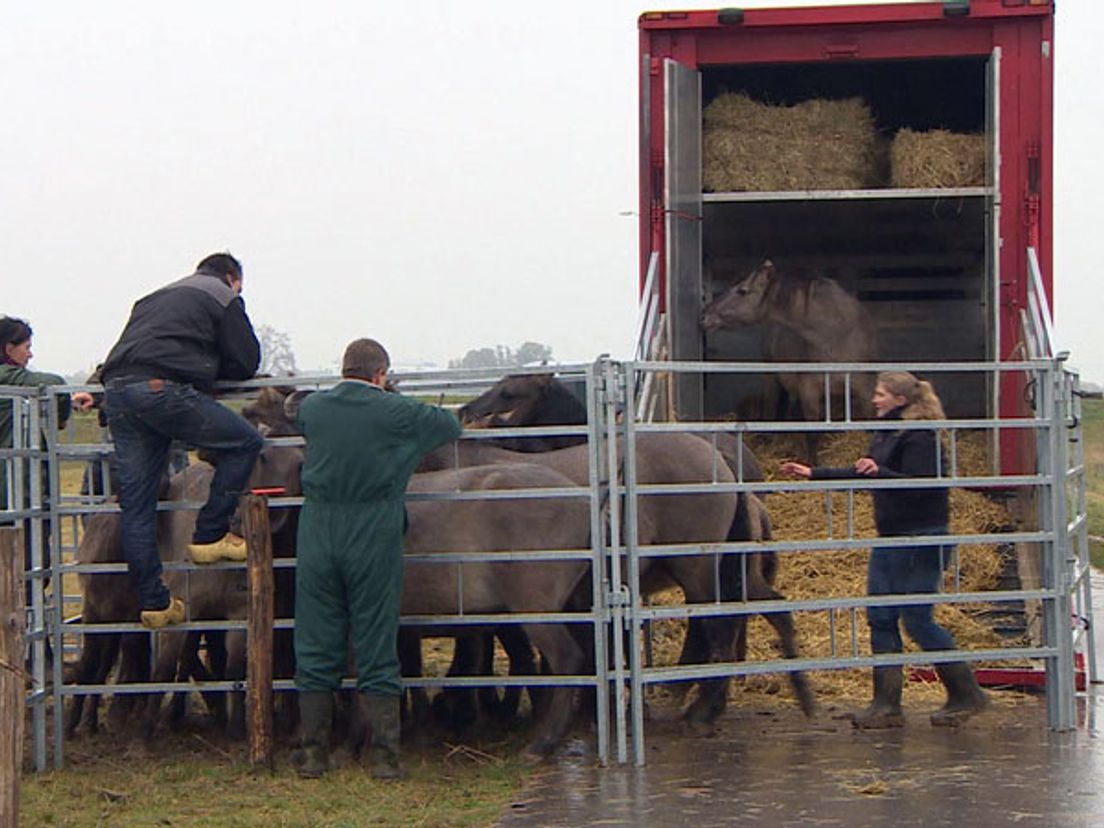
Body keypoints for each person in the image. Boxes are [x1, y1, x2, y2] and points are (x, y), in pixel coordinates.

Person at [291, 338, 461, 780]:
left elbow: (297, 409)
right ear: (381, 374)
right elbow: (449, 425)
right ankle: (385, 757)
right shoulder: (396, 411)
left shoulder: (316, 409)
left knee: (315, 635)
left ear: (344, 369)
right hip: (373, 529)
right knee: (375, 636)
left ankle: (312, 752)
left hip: (318, 529)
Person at [779, 370, 989, 728]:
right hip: (892, 538)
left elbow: (921, 485)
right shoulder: (887, 433)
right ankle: (886, 704)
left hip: (920, 537)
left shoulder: (919, 437)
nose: (874, 399)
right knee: (880, 616)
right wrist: (814, 474)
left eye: (880, 394)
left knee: (917, 621)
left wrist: (880, 473)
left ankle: (966, 693)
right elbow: (868, 471)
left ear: (900, 400)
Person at [99, 253, 263, 630]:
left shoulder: (154, 297)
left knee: (137, 506)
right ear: (231, 277)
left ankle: (156, 603)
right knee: (244, 443)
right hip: (160, 389)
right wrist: (210, 373)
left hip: (118, 392)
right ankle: (210, 534)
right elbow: (245, 361)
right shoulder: (222, 294)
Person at [1, 316, 94, 606]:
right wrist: (62, 411)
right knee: (29, 572)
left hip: (12, 493)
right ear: (8, 349)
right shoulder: (8, 378)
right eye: (26, 347)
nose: (30, 354)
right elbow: (51, 382)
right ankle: (30, 645)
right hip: (16, 496)